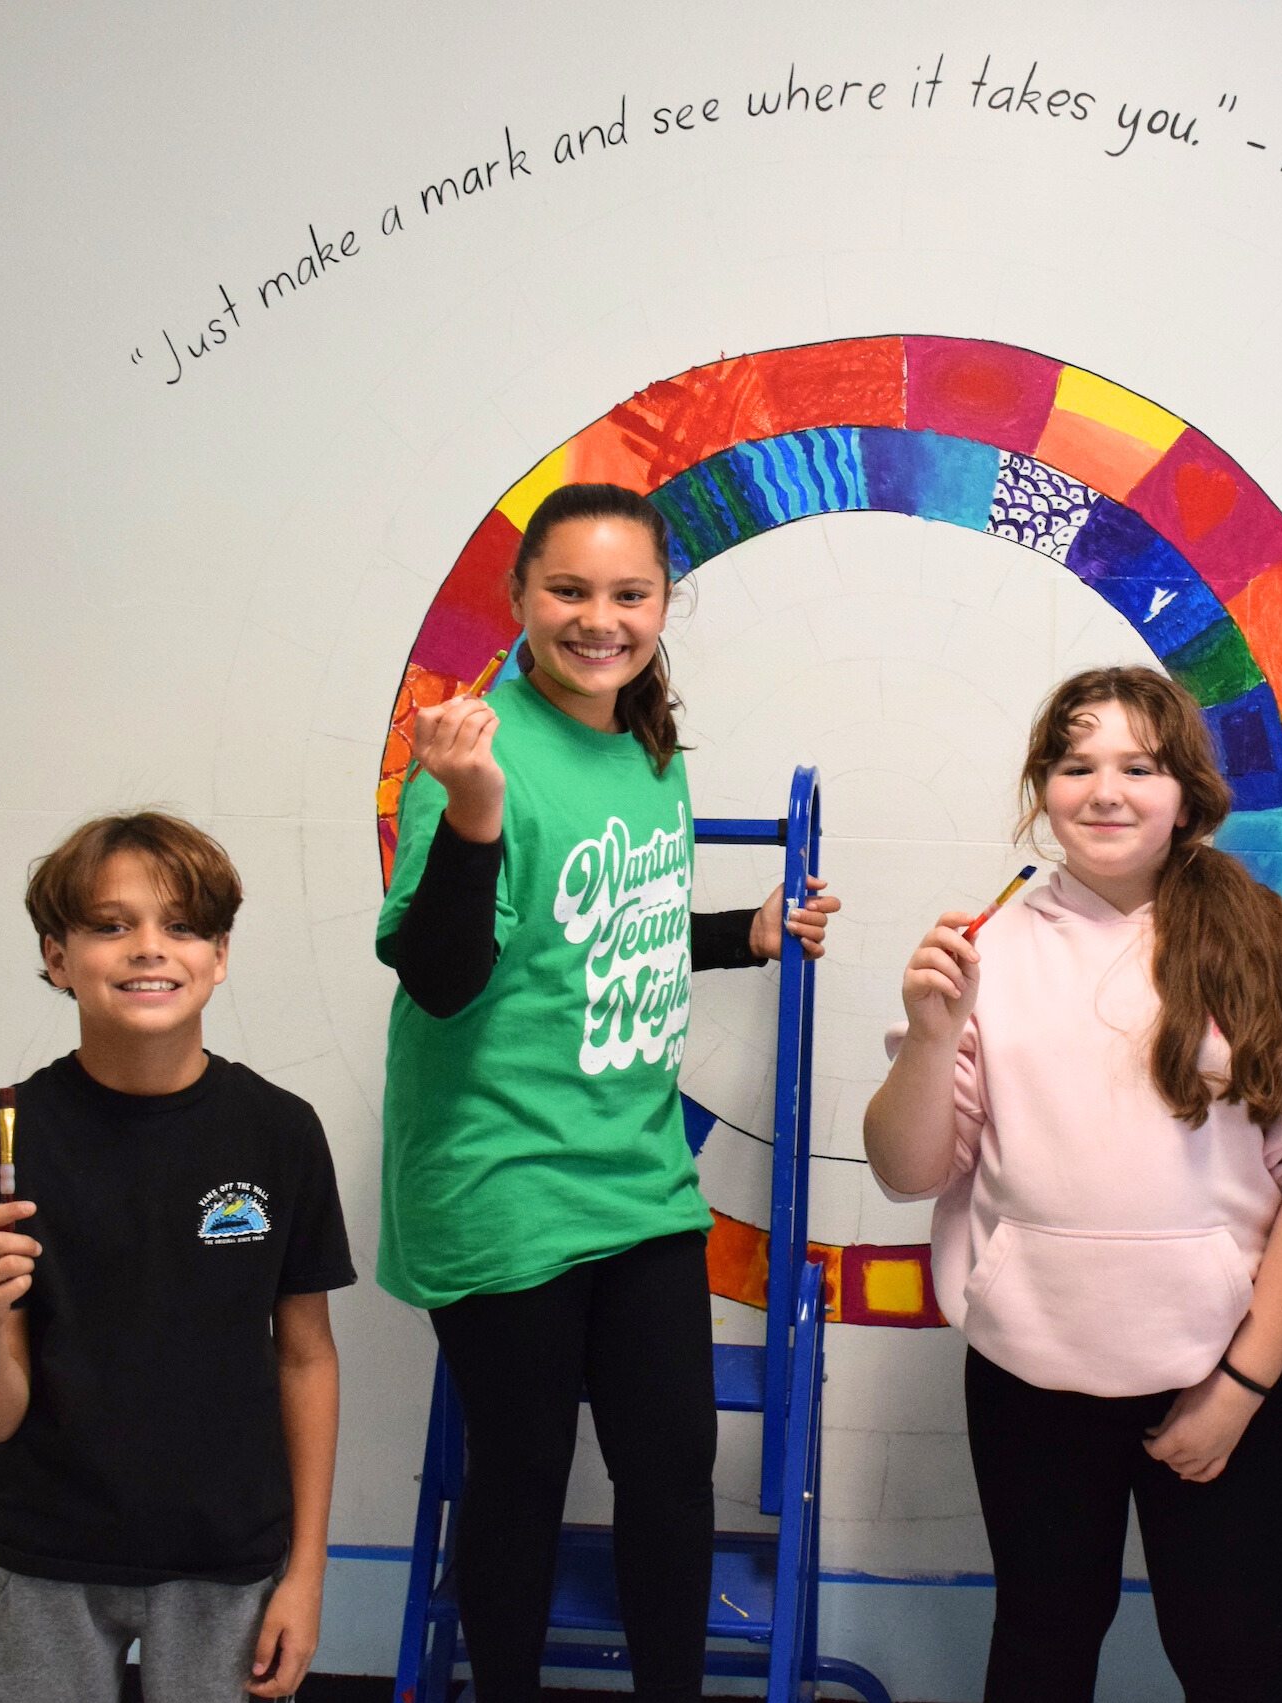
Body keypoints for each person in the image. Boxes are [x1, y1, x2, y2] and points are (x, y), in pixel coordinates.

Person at [377, 482, 839, 1703]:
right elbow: (441, 974)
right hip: (504, 1173)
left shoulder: (648, 747)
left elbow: (605, 929)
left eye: (628, 593)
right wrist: (474, 817)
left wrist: (748, 930)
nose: (600, 618)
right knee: (523, 1472)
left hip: (632, 1171)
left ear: (662, 604)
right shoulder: (475, 754)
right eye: (569, 591)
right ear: (520, 599)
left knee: (673, 1462)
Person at [863, 666, 1282, 1703]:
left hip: (1223, 1374)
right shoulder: (985, 949)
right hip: (1028, 1381)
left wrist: (1238, 1386)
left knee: (1232, 1657)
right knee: (1041, 1647)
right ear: (1041, 787)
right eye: (1075, 763)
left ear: (1184, 787)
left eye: (1138, 765)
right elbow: (908, 1169)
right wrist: (928, 1039)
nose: (1106, 790)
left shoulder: (1264, 943)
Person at [0, 812, 353, 1701]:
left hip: (227, 1559)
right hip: (43, 1552)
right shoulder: (1, 1137)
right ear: (56, 956)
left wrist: (306, 1570)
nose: (148, 949)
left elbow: (305, 1355)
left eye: (183, 925)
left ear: (220, 954)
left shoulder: (279, 1131)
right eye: (111, 925)